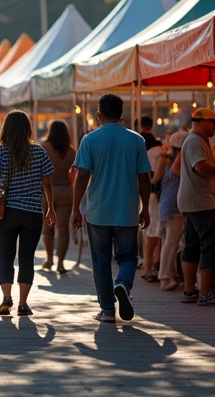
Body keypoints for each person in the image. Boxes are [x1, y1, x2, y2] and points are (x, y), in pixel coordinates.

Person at [71, 94, 152, 323]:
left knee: (101, 262)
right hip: (127, 210)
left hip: (98, 211)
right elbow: (144, 178)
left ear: (99, 115)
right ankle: (123, 284)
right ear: (122, 115)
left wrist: (76, 208)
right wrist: (145, 208)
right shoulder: (136, 140)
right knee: (128, 257)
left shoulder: (89, 140)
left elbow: (82, 176)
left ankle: (107, 310)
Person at [0, 111, 56, 317]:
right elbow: (47, 182)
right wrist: (50, 207)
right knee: (26, 258)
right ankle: (23, 304)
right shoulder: (38, 151)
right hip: (32, 212)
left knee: (6, 256)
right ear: (27, 128)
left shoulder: (0, 152)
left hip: (6, 212)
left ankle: (6, 298)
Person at [177, 108, 215, 306]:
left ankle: (190, 291)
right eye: (212, 122)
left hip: (192, 201)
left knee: (192, 245)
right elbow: (201, 166)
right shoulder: (196, 140)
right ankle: (205, 293)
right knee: (211, 246)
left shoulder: (194, 140)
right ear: (199, 121)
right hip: (202, 201)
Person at [40, 120, 76, 275]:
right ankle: (61, 263)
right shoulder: (71, 151)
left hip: (47, 190)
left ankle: (49, 259)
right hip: (66, 190)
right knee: (62, 228)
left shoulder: (44, 148)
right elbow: (74, 174)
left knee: (47, 228)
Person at [158, 131, 188, 291]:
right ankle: (164, 277)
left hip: (167, 203)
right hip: (174, 205)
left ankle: (172, 276)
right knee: (171, 242)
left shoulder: (169, 159)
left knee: (169, 242)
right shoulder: (180, 158)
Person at [142, 136, 171, 282]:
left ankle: (151, 268)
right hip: (158, 197)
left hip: (155, 197)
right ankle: (154, 269)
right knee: (156, 234)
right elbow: (155, 178)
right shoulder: (159, 154)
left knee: (153, 235)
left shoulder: (151, 154)